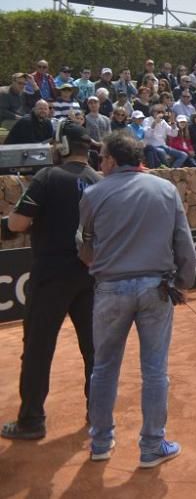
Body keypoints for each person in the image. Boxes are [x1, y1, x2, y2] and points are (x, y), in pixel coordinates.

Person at [78, 131, 196, 467]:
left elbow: (84, 248)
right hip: (156, 288)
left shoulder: (92, 194)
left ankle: (100, 443)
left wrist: (101, 264)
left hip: (110, 288)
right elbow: (184, 243)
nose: (99, 164)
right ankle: (151, 446)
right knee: (155, 371)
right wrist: (184, 283)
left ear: (113, 160)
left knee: (103, 369)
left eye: (101, 158)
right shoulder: (166, 189)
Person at [1, 122, 101, 440]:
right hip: (90, 278)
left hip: (51, 277)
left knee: (38, 349)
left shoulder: (47, 176)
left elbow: (17, 222)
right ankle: (96, 414)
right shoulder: (99, 182)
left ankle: (32, 421)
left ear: (62, 146)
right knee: (94, 350)